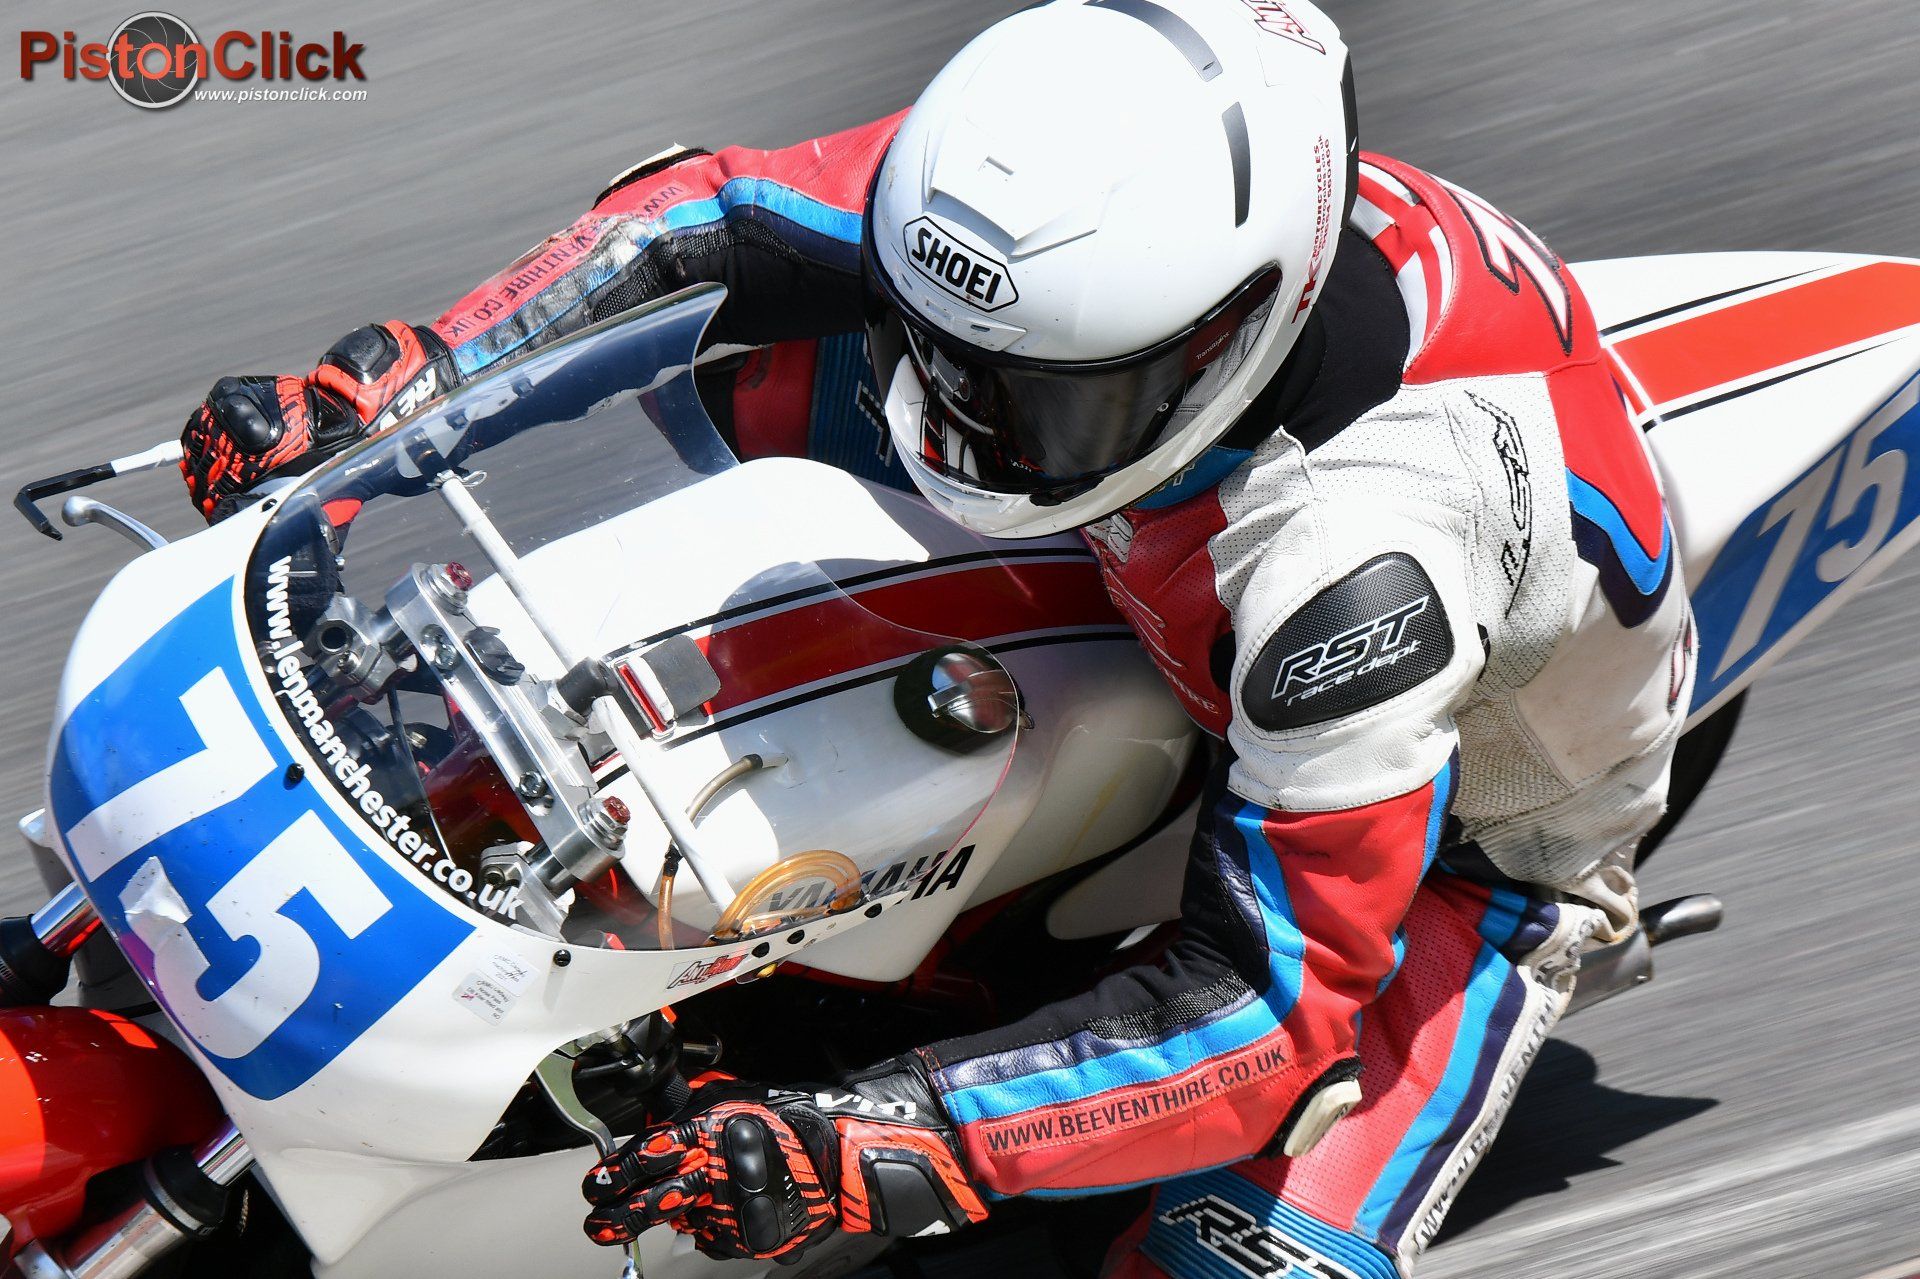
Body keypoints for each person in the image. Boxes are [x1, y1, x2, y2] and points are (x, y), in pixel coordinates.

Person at [178, 1, 1695, 1274]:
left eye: (1026, 395)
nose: (964, 434)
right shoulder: (1082, 214)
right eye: (946, 361)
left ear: (1227, 340)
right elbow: (714, 212)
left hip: (1455, 856)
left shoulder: (1360, 576)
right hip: (1147, 530)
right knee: (716, 360)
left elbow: (1268, 1016)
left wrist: (881, 1141)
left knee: (1225, 1265)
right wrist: (394, 387)